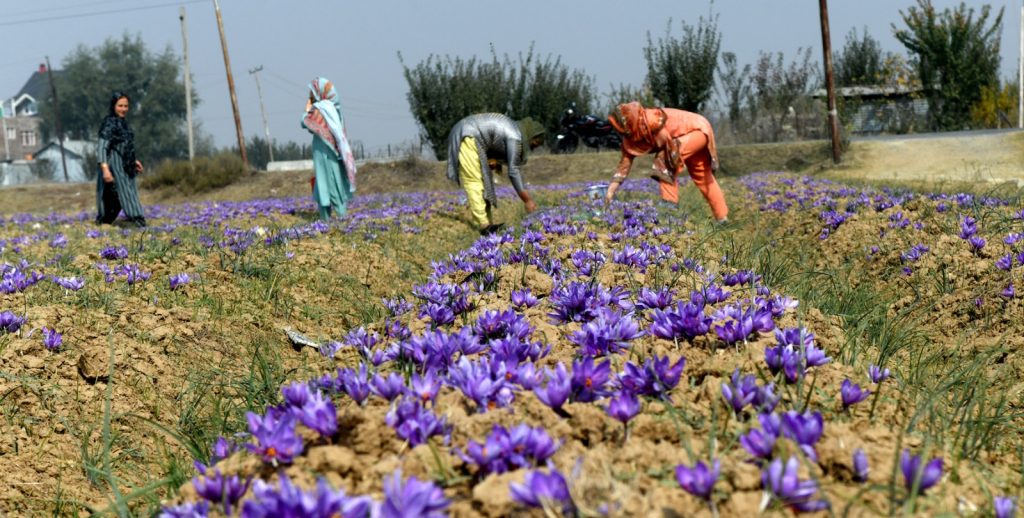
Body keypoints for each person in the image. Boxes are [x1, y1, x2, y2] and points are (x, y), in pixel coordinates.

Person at [603, 102, 729, 223]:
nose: (620, 132)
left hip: (697, 130)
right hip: (687, 136)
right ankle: (723, 218)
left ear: (629, 123)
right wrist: (610, 191)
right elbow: (624, 165)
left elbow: (668, 146)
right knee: (703, 176)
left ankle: (670, 206)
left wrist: (674, 162)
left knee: (665, 159)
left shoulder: (651, 120)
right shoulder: (631, 136)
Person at [446, 114, 542, 235]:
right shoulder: (515, 136)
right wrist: (527, 200)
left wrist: (494, 161)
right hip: (467, 135)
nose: (532, 148)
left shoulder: (513, 130)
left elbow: (493, 142)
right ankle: (484, 225)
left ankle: (488, 225)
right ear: (530, 136)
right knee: (474, 182)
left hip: (475, 138)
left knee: (486, 184)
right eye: (533, 144)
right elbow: (513, 171)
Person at [302, 77, 357, 220]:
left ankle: (338, 219)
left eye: (313, 92)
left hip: (325, 154)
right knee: (326, 186)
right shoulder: (334, 108)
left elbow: (305, 122)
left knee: (330, 186)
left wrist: (308, 106)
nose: (311, 95)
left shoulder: (321, 108)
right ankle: (331, 219)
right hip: (329, 152)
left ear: (320, 92)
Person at [96, 91, 146, 227]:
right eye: (120, 106)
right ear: (113, 106)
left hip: (126, 165)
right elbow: (102, 147)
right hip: (114, 165)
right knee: (121, 193)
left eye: (126, 106)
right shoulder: (109, 123)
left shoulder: (123, 123)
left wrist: (134, 160)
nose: (123, 109)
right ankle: (136, 220)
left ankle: (106, 221)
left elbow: (124, 145)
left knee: (122, 193)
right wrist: (105, 170)